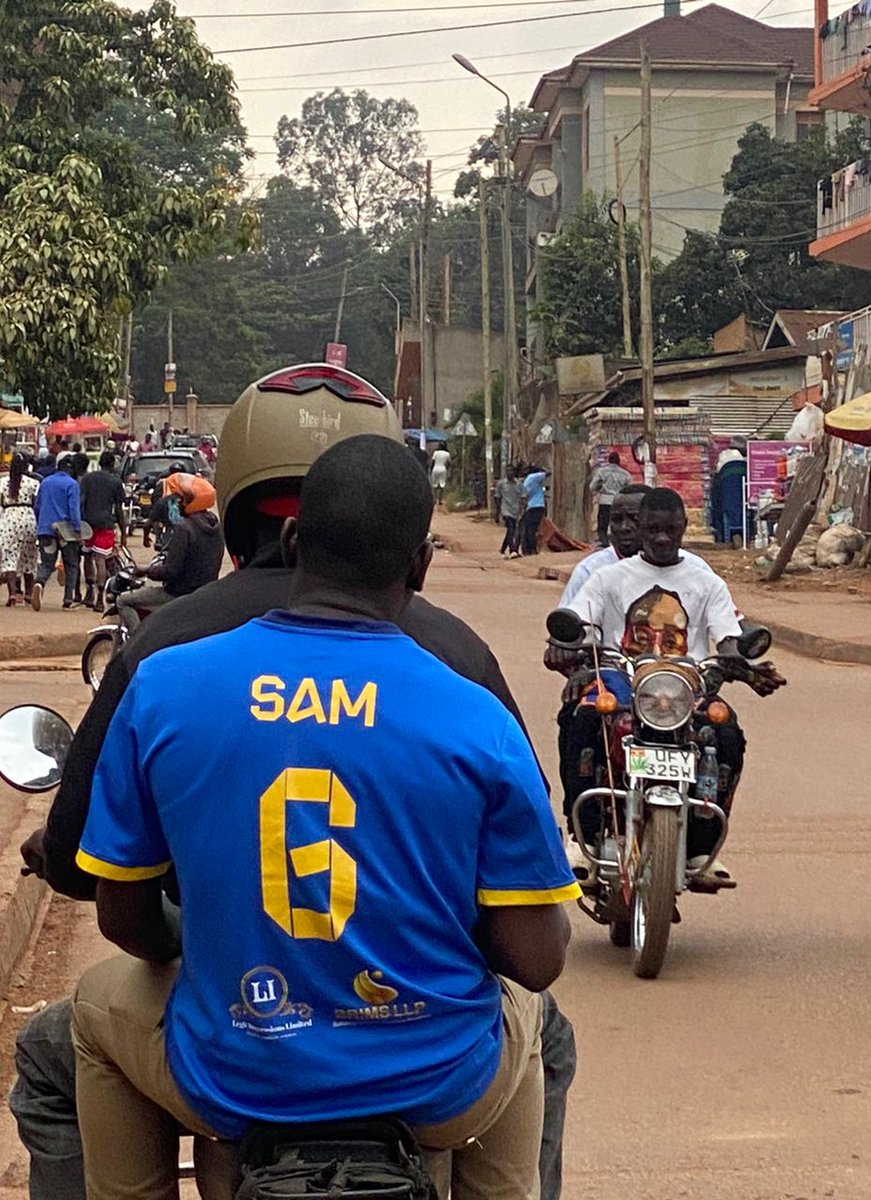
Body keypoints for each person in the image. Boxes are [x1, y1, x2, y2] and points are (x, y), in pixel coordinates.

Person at [15, 365, 577, 1200]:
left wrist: (211, 947)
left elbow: (124, 916)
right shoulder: (470, 703)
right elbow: (535, 958)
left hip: (235, 1080)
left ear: (291, 544)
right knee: (538, 1033)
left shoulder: (166, 678)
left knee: (86, 1027)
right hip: (437, 1092)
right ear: (420, 567)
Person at [553, 487, 784, 881]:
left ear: (683, 529)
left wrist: (735, 658)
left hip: (686, 683)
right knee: (582, 719)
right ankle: (585, 837)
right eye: (653, 529)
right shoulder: (608, 579)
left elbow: (727, 635)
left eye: (671, 530)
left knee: (725, 734)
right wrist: (567, 638)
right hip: (621, 677)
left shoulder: (705, 581)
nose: (661, 538)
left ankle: (700, 846)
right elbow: (578, 620)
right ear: (640, 530)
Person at [116, 474, 222, 635]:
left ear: (192, 501)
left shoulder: (185, 528)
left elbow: (171, 571)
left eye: (182, 499)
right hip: (203, 593)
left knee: (123, 600)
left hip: (178, 593)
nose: (178, 502)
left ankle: (136, 645)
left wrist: (146, 571)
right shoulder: (216, 527)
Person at [31, 457, 82, 611]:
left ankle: (39, 582)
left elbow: (37, 506)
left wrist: (42, 523)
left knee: (47, 563)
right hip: (66, 532)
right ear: (72, 470)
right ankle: (68, 600)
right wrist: (77, 529)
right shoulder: (72, 484)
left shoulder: (45, 482)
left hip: (46, 530)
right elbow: (73, 509)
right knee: (71, 564)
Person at [80, 450, 128, 612]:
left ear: (100, 463)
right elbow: (119, 510)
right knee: (101, 559)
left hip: (88, 524)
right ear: (113, 464)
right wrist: (123, 532)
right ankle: (100, 598)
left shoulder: (88, 479)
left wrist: (79, 523)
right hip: (106, 524)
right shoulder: (115, 482)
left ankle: (89, 591)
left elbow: (81, 502)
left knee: (87, 557)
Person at [0, 453, 39, 606]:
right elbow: (37, 504)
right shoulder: (33, 483)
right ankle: (29, 594)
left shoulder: (2, 483)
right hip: (28, 518)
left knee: (10, 557)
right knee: (29, 556)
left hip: (9, 518)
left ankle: (13, 594)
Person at [589, 451, 632, 547]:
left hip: (605, 500)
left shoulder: (602, 472)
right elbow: (629, 489)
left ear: (609, 460)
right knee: (618, 522)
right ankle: (618, 541)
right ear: (619, 461)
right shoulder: (625, 474)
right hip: (619, 501)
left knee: (602, 524)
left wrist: (600, 487)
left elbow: (592, 487)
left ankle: (604, 542)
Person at [495, 466, 523, 557]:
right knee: (510, 529)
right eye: (508, 471)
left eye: (511, 471)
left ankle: (503, 549)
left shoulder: (519, 484)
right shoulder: (501, 484)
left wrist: (523, 509)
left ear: (514, 472)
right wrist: (497, 513)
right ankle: (512, 550)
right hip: (505, 510)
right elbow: (498, 498)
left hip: (515, 511)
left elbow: (523, 497)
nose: (509, 473)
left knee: (511, 531)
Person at [520, 465, 548, 556]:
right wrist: (539, 468)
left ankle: (528, 549)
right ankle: (532, 549)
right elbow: (548, 473)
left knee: (529, 529)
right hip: (537, 506)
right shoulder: (534, 477)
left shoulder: (526, 481)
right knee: (532, 529)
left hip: (530, 506)